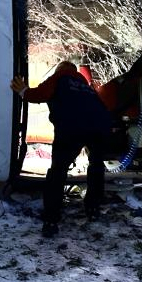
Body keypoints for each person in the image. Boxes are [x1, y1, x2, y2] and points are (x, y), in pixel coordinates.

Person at [11, 61, 112, 237]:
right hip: (101, 126)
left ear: (60, 69)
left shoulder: (60, 77)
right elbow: (103, 108)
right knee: (96, 166)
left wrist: (22, 90)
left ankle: (51, 219)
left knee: (58, 171)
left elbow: (39, 94)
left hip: (71, 126)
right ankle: (93, 208)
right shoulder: (85, 86)